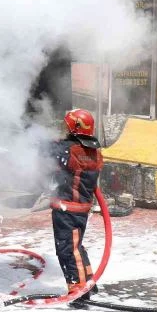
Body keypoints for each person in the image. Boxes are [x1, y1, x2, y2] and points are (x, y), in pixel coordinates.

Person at [48, 108, 104, 300]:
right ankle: (88, 281)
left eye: (67, 125)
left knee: (67, 249)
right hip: (80, 208)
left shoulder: (69, 150)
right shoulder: (94, 152)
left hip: (67, 209)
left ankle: (78, 290)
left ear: (74, 127)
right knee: (76, 246)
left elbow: (51, 153)